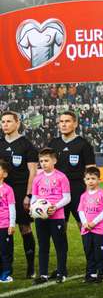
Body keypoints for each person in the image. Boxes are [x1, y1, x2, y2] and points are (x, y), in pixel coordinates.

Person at [0, 111, 38, 278]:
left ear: (17, 123)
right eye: (2, 122)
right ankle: (5, 268)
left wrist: (28, 195)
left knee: (24, 227)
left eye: (8, 121)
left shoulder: (27, 145)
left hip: (21, 190)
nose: (5, 124)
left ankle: (30, 267)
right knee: (2, 228)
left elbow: (33, 172)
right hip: (2, 190)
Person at [47, 111, 96, 228]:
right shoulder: (53, 143)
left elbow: (91, 170)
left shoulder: (84, 144)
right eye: (61, 122)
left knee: (84, 224)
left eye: (67, 121)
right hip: (57, 189)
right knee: (60, 225)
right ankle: (62, 247)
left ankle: (88, 246)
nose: (63, 124)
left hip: (77, 188)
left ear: (75, 124)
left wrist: (91, 193)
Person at [31, 148, 71, 284]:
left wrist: (54, 207)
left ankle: (61, 272)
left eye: (46, 160)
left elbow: (67, 198)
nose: (43, 163)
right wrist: (33, 208)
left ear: (54, 161)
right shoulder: (37, 178)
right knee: (43, 246)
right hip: (41, 218)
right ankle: (43, 274)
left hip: (57, 217)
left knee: (60, 245)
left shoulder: (61, 177)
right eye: (41, 161)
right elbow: (35, 198)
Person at [78, 166, 103, 283]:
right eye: (88, 179)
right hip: (86, 229)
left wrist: (93, 223)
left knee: (99, 253)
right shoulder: (83, 196)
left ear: (98, 179)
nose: (90, 181)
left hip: (98, 230)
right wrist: (85, 223)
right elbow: (80, 211)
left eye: (93, 178)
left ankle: (101, 274)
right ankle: (91, 274)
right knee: (89, 252)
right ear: (84, 180)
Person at [0, 160, 16, 283]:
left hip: (4, 225)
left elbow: (11, 208)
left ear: (5, 174)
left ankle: (6, 274)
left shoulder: (8, 189)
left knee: (6, 251)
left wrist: (11, 224)